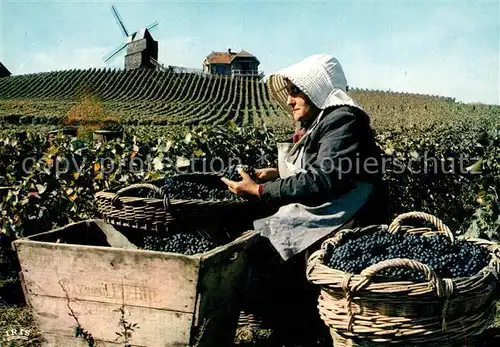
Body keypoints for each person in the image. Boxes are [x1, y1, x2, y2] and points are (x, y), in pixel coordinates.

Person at [221, 54, 388, 346]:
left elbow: (324, 178)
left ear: (317, 90)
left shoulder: (343, 119)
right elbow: (319, 167)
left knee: (268, 251)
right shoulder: (321, 121)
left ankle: (297, 329)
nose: (289, 100)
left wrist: (260, 191)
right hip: (329, 205)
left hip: (346, 212)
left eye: (296, 92)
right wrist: (275, 174)